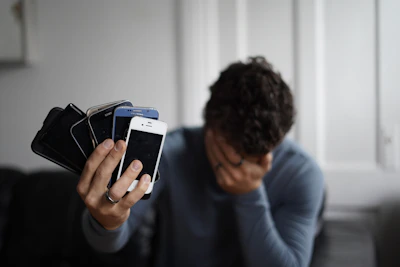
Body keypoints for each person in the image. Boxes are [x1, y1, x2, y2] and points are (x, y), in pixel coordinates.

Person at [77, 56, 325, 267]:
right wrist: (106, 220)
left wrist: (250, 193)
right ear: (210, 128)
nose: (255, 163)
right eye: (238, 153)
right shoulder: (171, 153)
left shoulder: (302, 173)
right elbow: (109, 241)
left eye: (266, 152)